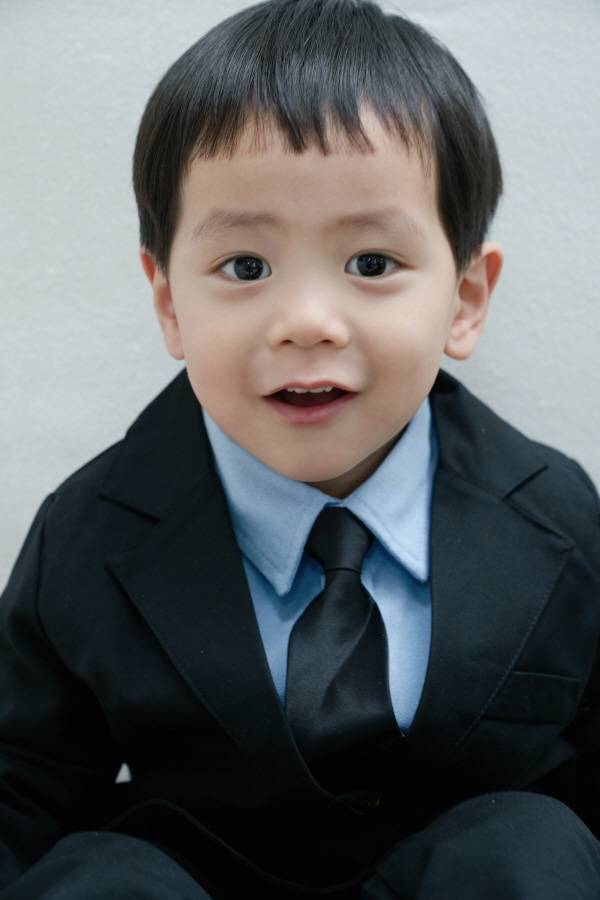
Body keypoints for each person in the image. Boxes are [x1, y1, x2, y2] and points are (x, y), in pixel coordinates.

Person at [1, 0, 600, 897]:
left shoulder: (556, 513)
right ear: (170, 305)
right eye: (246, 267)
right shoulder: (85, 535)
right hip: (195, 876)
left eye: (371, 264)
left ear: (466, 299)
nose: (308, 322)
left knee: (531, 844)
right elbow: (20, 778)